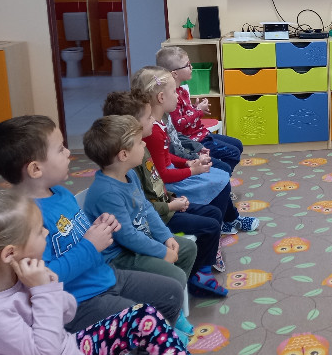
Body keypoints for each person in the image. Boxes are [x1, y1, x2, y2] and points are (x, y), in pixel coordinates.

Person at [0, 191, 245, 355]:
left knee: (143, 315)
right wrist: (42, 292)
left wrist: (49, 287)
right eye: (38, 231)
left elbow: (66, 313)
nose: (45, 232)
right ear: (9, 253)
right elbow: (45, 350)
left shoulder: (22, 274)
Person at [0, 115, 185, 332]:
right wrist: (90, 244)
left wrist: (99, 226)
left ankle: (155, 340)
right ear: (35, 169)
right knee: (143, 322)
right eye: (60, 149)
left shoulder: (60, 193)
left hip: (104, 276)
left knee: (171, 292)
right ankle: (151, 344)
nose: (68, 152)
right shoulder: (25, 217)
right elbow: (44, 276)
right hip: (79, 300)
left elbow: (76, 233)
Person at [103, 90, 229, 295]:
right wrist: (170, 205)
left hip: (164, 207)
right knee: (210, 225)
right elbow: (143, 205)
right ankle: (199, 275)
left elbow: (155, 184)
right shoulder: (131, 163)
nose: (153, 120)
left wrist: (172, 198)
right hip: (162, 214)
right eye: (148, 117)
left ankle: (201, 269)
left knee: (213, 214)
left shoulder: (140, 150)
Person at [132, 66, 258, 233]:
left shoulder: (159, 122)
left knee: (221, 176)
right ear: (161, 97)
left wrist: (187, 163)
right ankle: (222, 223)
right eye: (174, 92)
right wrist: (192, 170)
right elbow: (162, 173)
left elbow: (165, 155)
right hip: (168, 183)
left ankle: (227, 219)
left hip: (174, 171)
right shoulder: (153, 131)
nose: (177, 95)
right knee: (220, 179)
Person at [82, 115, 197, 292]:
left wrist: (166, 237)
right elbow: (127, 236)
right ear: (124, 155)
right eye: (139, 142)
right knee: (176, 276)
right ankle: (164, 301)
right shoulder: (107, 193)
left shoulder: (130, 174)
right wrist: (162, 252)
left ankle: (168, 296)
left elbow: (146, 208)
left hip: (140, 242)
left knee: (187, 248)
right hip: (120, 256)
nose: (144, 144)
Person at [156, 46, 243, 172]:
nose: (191, 67)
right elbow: (178, 125)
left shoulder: (182, 91)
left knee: (237, 145)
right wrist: (197, 111)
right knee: (233, 153)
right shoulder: (172, 97)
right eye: (187, 65)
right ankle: (219, 174)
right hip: (193, 139)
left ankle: (220, 172)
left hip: (200, 133)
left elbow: (184, 114)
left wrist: (195, 109)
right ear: (174, 73)